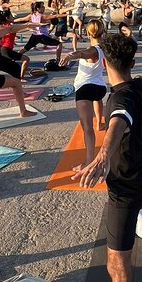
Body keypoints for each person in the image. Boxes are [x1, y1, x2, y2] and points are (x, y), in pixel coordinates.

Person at [72, 33, 142, 282]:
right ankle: (140, 220)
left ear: (105, 63)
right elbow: (126, 118)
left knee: (117, 268)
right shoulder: (140, 84)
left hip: (126, 187)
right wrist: (99, 158)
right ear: (132, 63)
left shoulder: (118, 99)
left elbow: (119, 119)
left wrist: (103, 156)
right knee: (136, 207)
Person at [59, 19, 107, 169]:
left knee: (86, 127)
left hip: (85, 89)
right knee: (97, 100)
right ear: (102, 32)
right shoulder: (103, 47)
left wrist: (70, 56)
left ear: (87, 32)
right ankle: (99, 122)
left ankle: (89, 161)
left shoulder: (94, 50)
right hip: (99, 88)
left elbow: (83, 53)